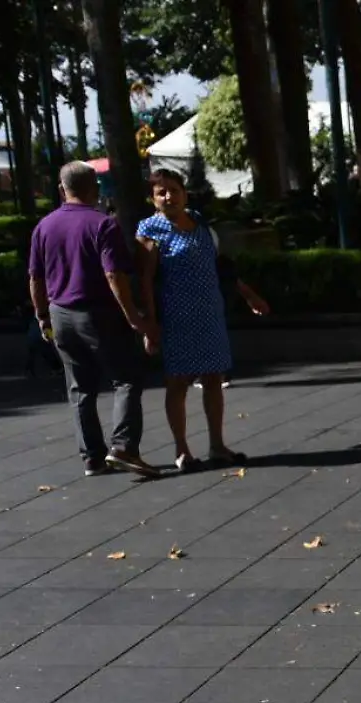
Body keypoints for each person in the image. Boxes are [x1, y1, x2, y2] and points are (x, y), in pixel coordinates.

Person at [27, 162, 158, 478]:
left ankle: (92, 458)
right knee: (126, 378)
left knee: (80, 388)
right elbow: (114, 273)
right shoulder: (103, 225)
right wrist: (134, 317)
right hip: (99, 314)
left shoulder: (44, 226)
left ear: (61, 189)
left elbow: (35, 278)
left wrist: (42, 316)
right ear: (95, 188)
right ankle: (124, 447)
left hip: (61, 313)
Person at [136, 169, 268, 473]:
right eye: (161, 192)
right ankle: (182, 449)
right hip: (176, 318)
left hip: (210, 313)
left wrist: (249, 295)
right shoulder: (150, 230)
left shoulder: (199, 221)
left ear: (185, 192)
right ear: (153, 199)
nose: (168, 196)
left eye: (173, 189)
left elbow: (218, 267)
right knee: (178, 383)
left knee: (212, 378)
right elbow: (144, 282)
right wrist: (150, 325)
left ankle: (217, 445)